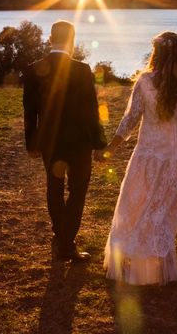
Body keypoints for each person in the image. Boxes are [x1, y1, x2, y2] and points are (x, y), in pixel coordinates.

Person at [98, 31, 177, 284]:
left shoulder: (146, 81)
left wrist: (111, 148)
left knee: (137, 205)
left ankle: (142, 265)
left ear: (156, 52)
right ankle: (157, 263)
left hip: (150, 154)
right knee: (164, 209)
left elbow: (130, 120)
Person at [23, 20, 107, 262]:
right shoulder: (82, 70)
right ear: (71, 41)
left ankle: (60, 238)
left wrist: (32, 144)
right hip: (79, 141)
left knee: (54, 187)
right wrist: (99, 143)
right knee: (78, 191)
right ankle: (66, 243)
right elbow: (92, 110)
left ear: (51, 39)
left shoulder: (32, 69)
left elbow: (30, 111)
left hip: (49, 141)